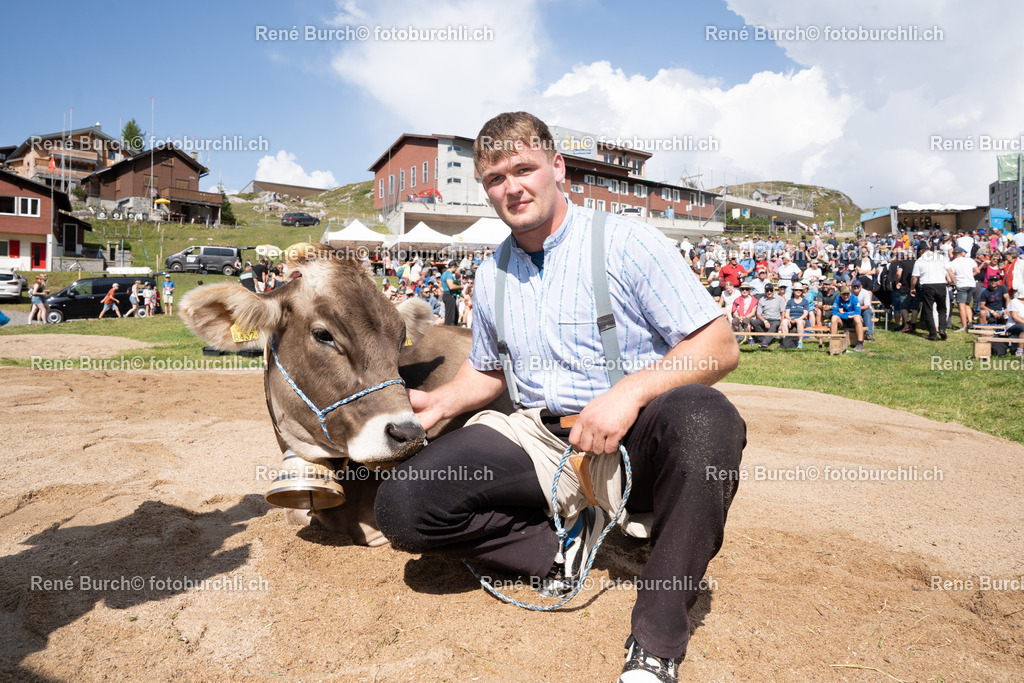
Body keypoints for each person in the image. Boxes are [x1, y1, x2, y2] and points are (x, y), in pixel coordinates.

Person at [374, 112, 745, 683]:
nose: (512, 187)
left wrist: (630, 391)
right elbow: (490, 372)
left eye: (524, 168)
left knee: (706, 417)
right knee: (404, 506)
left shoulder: (627, 241)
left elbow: (718, 347)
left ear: (557, 168)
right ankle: (553, 549)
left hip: (633, 441)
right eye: (496, 177)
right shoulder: (491, 271)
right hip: (540, 438)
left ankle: (656, 640)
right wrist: (442, 403)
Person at [911, 246, 954, 342]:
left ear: (921, 251)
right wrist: (954, 283)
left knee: (928, 310)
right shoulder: (941, 257)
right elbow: (950, 270)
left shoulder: (920, 260)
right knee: (942, 309)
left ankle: (933, 334)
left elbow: (914, 277)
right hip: (941, 285)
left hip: (927, 286)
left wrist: (912, 288)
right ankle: (942, 329)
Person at [949, 247, 980, 330]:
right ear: (962, 253)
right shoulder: (970, 260)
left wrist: (953, 282)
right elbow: (977, 271)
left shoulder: (952, 263)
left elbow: (950, 274)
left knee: (961, 305)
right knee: (967, 304)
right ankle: (970, 322)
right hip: (971, 283)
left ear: (954, 254)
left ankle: (964, 326)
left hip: (961, 284)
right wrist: (970, 276)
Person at [830, 285, 864, 351]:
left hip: (852, 321)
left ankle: (860, 344)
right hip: (842, 321)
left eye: (847, 294)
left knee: (857, 318)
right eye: (844, 294)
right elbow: (834, 312)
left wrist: (843, 313)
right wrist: (847, 315)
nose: (846, 296)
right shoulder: (838, 299)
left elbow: (858, 312)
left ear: (850, 293)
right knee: (834, 318)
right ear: (840, 294)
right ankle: (833, 342)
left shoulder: (854, 298)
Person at [752, 283, 784, 348]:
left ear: (773, 291)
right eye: (767, 290)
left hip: (776, 320)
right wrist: (765, 321)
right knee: (754, 322)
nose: (769, 292)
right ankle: (763, 338)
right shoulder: (761, 299)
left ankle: (764, 343)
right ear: (765, 291)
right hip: (765, 319)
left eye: (771, 290)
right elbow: (758, 314)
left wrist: (781, 323)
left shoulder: (779, 299)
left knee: (774, 325)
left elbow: (783, 312)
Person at [780, 282, 811, 348]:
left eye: (800, 290)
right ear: (793, 291)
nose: (798, 291)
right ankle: (786, 340)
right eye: (796, 290)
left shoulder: (805, 301)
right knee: (784, 321)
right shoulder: (790, 301)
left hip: (801, 320)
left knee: (799, 322)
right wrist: (790, 319)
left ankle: (800, 341)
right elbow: (787, 313)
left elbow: (805, 314)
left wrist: (798, 319)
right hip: (791, 319)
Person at [440, 259, 462, 326]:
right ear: (453, 267)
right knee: (450, 317)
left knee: (454, 315)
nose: (456, 269)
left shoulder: (444, 274)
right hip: (449, 295)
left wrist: (445, 291)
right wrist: (460, 287)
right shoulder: (449, 274)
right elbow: (451, 286)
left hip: (446, 294)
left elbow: (440, 286)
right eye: (456, 268)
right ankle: (449, 333)